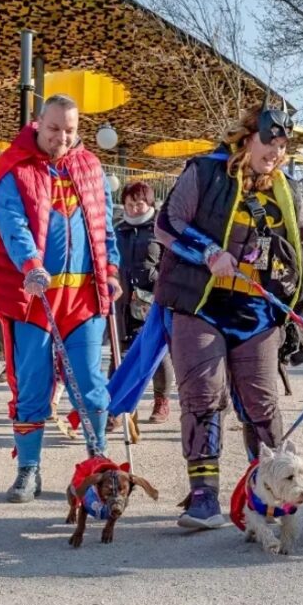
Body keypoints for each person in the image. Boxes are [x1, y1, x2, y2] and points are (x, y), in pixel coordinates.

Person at [154, 106, 303, 529]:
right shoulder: (204, 171)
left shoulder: (288, 192)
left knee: (262, 403)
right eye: (268, 141)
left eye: (281, 145)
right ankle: (203, 498)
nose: (274, 151)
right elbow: (168, 223)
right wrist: (208, 252)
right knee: (203, 394)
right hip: (201, 304)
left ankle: (270, 494)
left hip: (257, 311)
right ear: (247, 137)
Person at [0, 94, 121, 502]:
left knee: (91, 382)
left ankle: (99, 461)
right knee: (31, 385)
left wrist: (111, 271)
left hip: (82, 296)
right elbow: (11, 223)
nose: (62, 137)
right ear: (37, 123)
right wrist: (30, 264)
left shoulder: (91, 167)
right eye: (54, 129)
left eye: (70, 130)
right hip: (32, 298)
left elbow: (105, 226)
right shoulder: (14, 166)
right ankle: (29, 469)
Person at [114, 181, 174, 424]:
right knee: (120, 354)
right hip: (122, 302)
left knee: (156, 353)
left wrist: (155, 281)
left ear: (149, 203)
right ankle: (115, 405)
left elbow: (171, 264)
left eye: (139, 203)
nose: (134, 208)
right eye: (129, 203)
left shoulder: (161, 230)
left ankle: (161, 401)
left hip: (152, 300)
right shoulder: (118, 230)